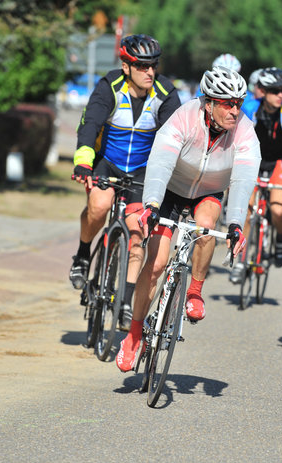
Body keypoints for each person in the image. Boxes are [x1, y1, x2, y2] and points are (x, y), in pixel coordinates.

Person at [115, 66, 261, 372]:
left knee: (206, 228)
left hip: (208, 191)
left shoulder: (245, 131)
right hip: (170, 188)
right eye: (227, 103)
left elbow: (244, 177)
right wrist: (152, 203)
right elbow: (160, 160)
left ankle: (194, 290)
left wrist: (235, 223)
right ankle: (133, 334)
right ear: (208, 102)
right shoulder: (184, 117)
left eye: (239, 103)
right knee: (154, 266)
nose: (235, 110)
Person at [69, 34, 180, 329]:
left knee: (137, 232)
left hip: (143, 171)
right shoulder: (110, 86)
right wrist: (83, 162)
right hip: (108, 162)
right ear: (126, 66)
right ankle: (82, 254)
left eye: (153, 65)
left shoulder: (166, 93)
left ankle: (126, 301)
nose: (150, 72)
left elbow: (176, 138)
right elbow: (89, 123)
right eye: (142, 66)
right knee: (100, 205)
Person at [231, 67, 282, 281]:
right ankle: (240, 259)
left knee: (278, 210)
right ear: (262, 91)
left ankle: (280, 237)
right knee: (246, 210)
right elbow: (238, 142)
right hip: (254, 158)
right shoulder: (251, 108)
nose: (280, 95)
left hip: (279, 162)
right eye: (274, 90)